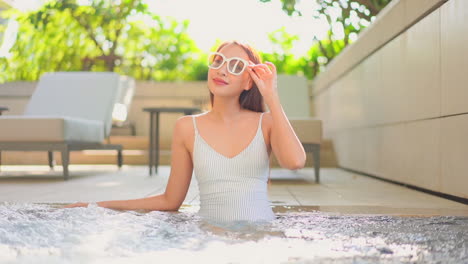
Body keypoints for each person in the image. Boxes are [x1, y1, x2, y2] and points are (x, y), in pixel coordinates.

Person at [64, 40, 306, 223]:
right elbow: (170, 201)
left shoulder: (266, 122)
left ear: (248, 81)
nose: (222, 70)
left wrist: (272, 97)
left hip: (261, 239)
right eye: (218, 61)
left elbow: (295, 162)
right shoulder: (187, 127)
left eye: (235, 66)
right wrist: (98, 205)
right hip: (209, 239)